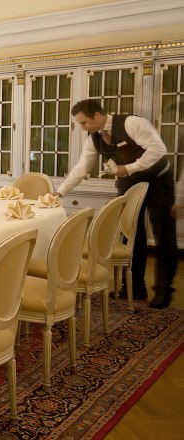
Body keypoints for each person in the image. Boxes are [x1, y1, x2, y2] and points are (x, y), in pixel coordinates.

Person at [52, 99, 177, 308]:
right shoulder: (93, 139)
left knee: (164, 236)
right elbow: (81, 169)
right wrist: (60, 192)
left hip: (159, 182)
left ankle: (164, 292)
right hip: (129, 184)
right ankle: (134, 288)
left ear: (98, 116)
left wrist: (128, 168)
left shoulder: (131, 124)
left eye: (84, 123)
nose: (82, 128)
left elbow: (158, 149)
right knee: (130, 236)